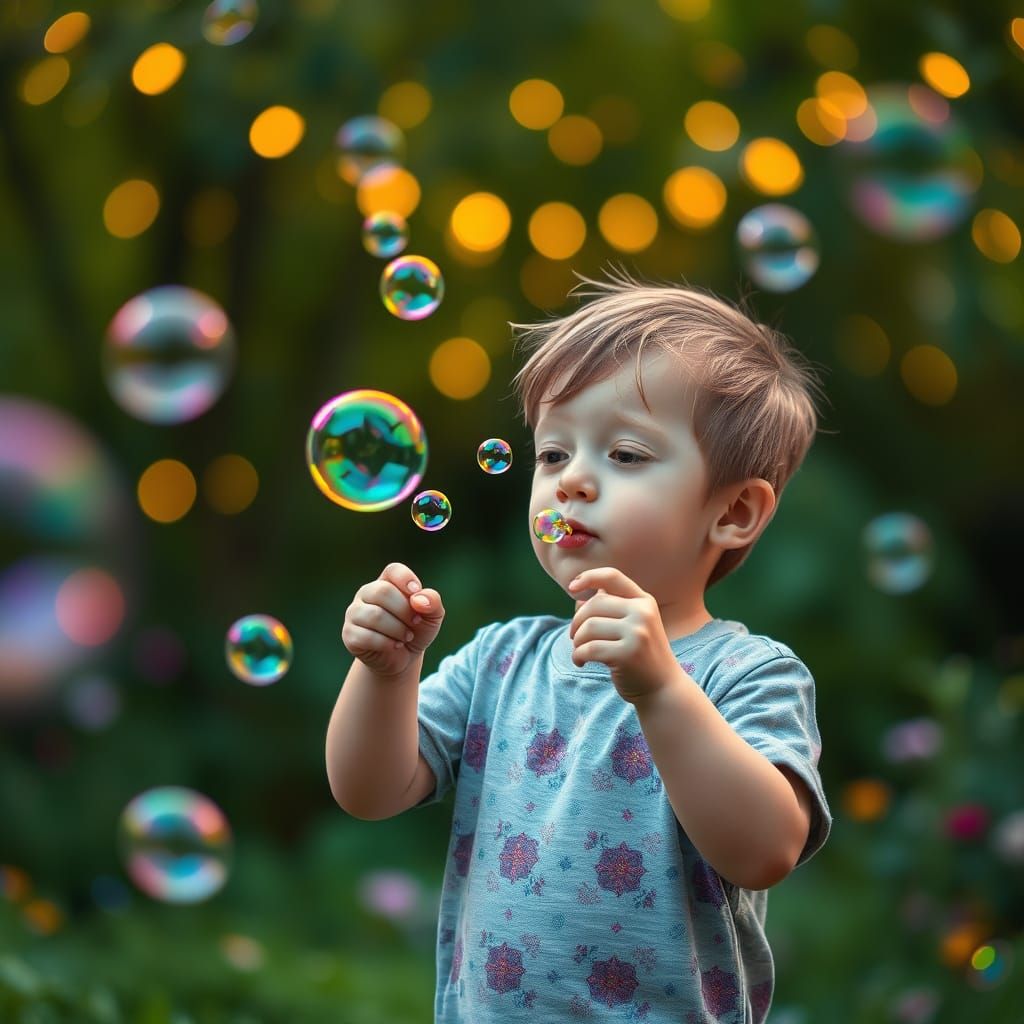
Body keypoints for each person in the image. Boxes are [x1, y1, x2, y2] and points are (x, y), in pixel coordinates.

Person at [326, 268, 832, 1023]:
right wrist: (387, 675)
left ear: (733, 511)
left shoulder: (745, 675)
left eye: (624, 454)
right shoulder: (500, 662)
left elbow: (765, 850)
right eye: (553, 454)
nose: (572, 483)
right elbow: (368, 791)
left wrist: (661, 689)